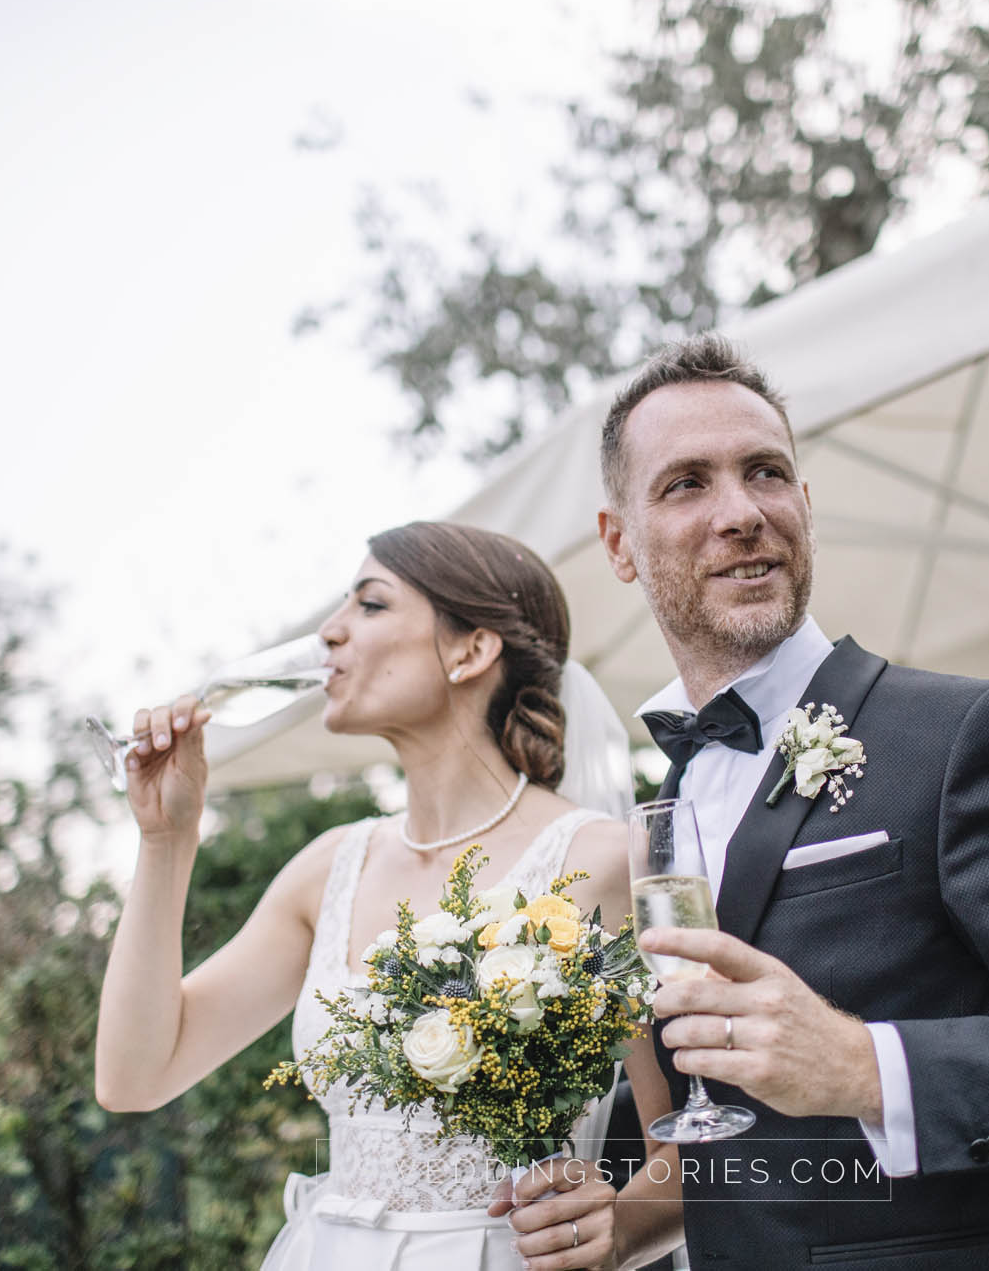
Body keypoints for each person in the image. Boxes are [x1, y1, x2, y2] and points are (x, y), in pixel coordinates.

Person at [594, 335, 989, 1269]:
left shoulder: (966, 733)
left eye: (765, 472)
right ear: (620, 543)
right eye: (686, 483)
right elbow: (725, 1144)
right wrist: (607, 1215)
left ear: (805, 506)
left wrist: (865, 1068)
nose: (741, 512)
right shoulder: (670, 801)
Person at [94, 521, 674, 1271]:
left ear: (471, 648)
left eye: (370, 605)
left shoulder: (603, 860)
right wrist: (166, 842)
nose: (330, 633)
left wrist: (616, 1225)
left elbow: (698, 1145)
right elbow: (134, 1075)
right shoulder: (328, 866)